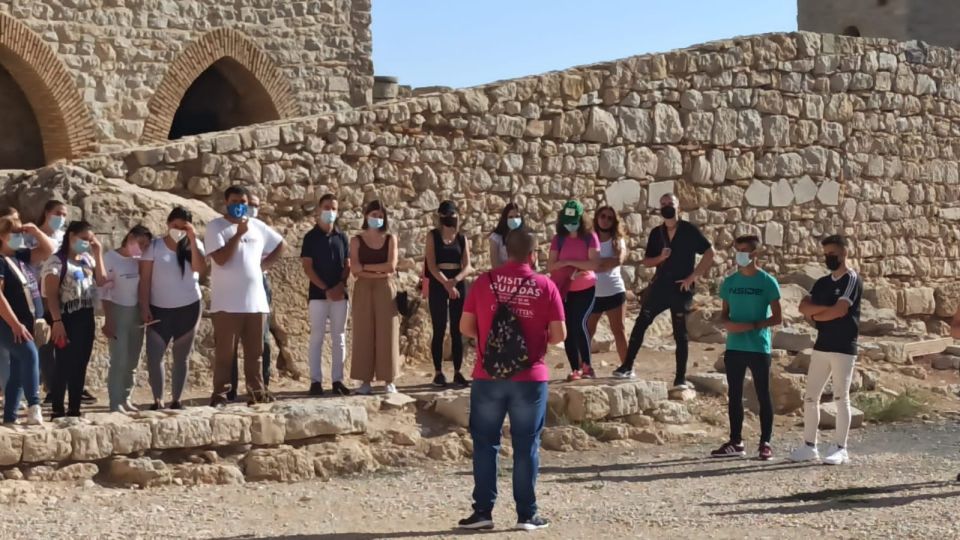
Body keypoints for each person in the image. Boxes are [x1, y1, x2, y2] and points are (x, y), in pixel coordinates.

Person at [457, 226, 565, 531]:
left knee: (485, 443)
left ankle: (482, 513)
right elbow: (559, 335)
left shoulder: (483, 282)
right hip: (530, 376)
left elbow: (466, 327)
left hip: (487, 374)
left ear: (506, 251)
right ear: (533, 254)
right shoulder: (545, 286)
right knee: (526, 445)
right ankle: (526, 514)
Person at [615, 193, 715, 388]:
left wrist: (693, 277)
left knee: (680, 333)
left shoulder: (689, 230)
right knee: (641, 321)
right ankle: (626, 366)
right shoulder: (656, 233)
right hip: (661, 286)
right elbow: (647, 261)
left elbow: (710, 252)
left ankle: (680, 378)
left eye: (670, 203)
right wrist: (661, 258)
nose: (667, 207)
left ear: (679, 207)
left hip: (681, 287)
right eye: (663, 204)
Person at [205, 186, 285, 406]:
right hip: (227, 303)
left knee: (255, 353)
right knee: (225, 354)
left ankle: (257, 391)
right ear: (226, 201)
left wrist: (263, 266)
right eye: (235, 200)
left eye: (243, 201)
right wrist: (238, 235)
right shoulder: (216, 227)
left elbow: (281, 244)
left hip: (256, 302)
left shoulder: (257, 226)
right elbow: (220, 259)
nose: (240, 205)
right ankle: (220, 394)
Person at [789, 235, 863, 466]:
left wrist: (817, 313)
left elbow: (840, 310)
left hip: (843, 347)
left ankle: (841, 447)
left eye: (833, 253)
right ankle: (810, 446)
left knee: (841, 397)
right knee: (811, 396)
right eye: (826, 253)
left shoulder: (851, 279)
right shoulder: (822, 283)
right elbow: (803, 307)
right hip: (822, 345)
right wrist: (822, 312)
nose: (828, 257)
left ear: (844, 254)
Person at [710, 235, 781, 461]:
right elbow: (724, 314)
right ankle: (735, 441)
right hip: (735, 346)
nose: (739, 255)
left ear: (755, 254)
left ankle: (765, 442)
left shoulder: (768, 282)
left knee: (762, 393)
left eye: (744, 251)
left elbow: (777, 317)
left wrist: (753, 325)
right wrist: (728, 324)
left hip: (759, 346)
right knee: (735, 394)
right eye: (737, 250)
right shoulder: (730, 282)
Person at [139, 207, 207, 410]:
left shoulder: (195, 245)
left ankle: (176, 399)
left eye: (183, 227)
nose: (178, 230)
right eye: (175, 226)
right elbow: (145, 280)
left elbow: (200, 269)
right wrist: (144, 306)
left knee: (181, 357)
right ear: (168, 224)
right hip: (159, 308)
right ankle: (158, 399)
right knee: (155, 356)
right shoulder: (155, 247)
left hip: (188, 307)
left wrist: (193, 239)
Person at [42, 220, 106, 418]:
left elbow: (102, 280)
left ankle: (75, 408)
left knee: (81, 363)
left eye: (89, 239)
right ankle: (58, 408)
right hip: (66, 317)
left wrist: (98, 252)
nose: (87, 242)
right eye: (83, 239)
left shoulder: (86, 259)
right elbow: (51, 295)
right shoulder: (56, 262)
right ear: (71, 236)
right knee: (64, 363)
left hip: (86, 316)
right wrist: (57, 322)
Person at [0, 211, 53, 425]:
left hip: (27, 323)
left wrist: (36, 232)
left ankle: (10, 417)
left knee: (17, 369)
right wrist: (15, 324)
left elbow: (48, 250)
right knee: (30, 356)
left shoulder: (19, 256)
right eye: (14, 232)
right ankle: (34, 405)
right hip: (8, 324)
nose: (19, 235)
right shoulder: (1, 261)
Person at [301, 194, 351, 396]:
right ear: (319, 210)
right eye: (327, 207)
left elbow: (347, 265)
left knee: (339, 337)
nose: (330, 211)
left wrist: (339, 286)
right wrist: (325, 289)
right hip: (318, 295)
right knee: (317, 337)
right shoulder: (310, 237)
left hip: (340, 295)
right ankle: (315, 381)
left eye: (334, 208)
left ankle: (338, 380)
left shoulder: (342, 237)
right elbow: (308, 267)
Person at [349, 200, 400, 395]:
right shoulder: (356, 240)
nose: (377, 219)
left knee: (388, 330)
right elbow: (354, 269)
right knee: (364, 331)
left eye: (380, 216)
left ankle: (389, 379)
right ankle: (365, 380)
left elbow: (391, 267)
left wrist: (366, 268)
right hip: (363, 288)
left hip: (385, 288)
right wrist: (376, 271)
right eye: (374, 215)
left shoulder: (390, 239)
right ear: (366, 216)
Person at [546, 200, 599, 381]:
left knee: (579, 323)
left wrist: (568, 263)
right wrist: (570, 267)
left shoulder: (590, 237)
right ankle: (575, 368)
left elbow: (594, 264)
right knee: (566, 327)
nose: (571, 224)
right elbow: (551, 265)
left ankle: (587, 366)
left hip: (585, 288)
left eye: (574, 220)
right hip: (564, 289)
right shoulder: (558, 239)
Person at [101, 225, 152, 413]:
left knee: (132, 359)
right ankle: (115, 401)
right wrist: (108, 319)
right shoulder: (110, 258)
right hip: (117, 310)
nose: (142, 248)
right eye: (140, 243)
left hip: (135, 312)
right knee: (119, 359)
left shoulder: (137, 261)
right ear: (130, 237)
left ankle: (126, 397)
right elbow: (104, 291)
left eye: (145, 246)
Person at [229, 194, 273, 400]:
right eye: (249, 205)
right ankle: (230, 389)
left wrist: (260, 268)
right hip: (235, 286)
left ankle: (261, 387)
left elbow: (279, 248)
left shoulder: (261, 229)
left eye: (255, 205)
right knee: (232, 340)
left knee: (262, 340)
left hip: (260, 284)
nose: (252, 209)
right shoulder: (231, 227)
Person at [425, 200, 473, 388]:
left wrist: (455, 280)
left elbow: (467, 265)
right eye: (447, 215)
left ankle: (458, 371)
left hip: (457, 281)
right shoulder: (433, 236)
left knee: (457, 328)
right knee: (439, 327)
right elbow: (431, 264)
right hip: (439, 282)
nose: (450, 219)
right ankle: (438, 371)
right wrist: (446, 283)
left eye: (453, 215)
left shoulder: (461, 238)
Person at [587, 205, 628, 364]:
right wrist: (601, 264)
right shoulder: (589, 239)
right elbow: (585, 263)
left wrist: (595, 264)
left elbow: (618, 260)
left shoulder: (617, 241)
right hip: (592, 293)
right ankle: (582, 367)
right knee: (587, 332)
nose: (605, 220)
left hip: (614, 291)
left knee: (619, 330)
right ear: (597, 217)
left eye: (610, 218)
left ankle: (627, 367)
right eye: (603, 216)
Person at [489, 203, 524, 269]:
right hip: (503, 276)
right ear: (505, 218)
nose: (514, 220)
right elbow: (495, 265)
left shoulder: (527, 237)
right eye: (510, 217)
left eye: (517, 216)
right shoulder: (496, 238)